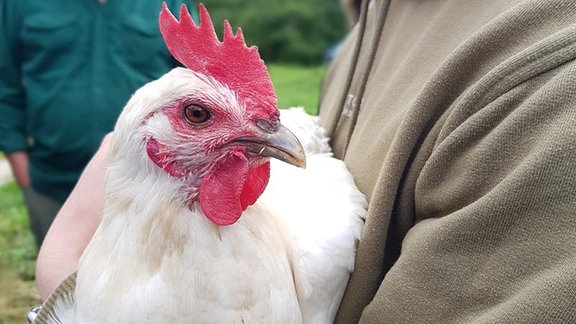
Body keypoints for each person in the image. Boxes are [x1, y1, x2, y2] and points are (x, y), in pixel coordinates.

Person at [35, 0, 576, 322]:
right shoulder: (373, 19)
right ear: (149, 145)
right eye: (199, 115)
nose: (272, 134)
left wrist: (62, 280)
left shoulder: (543, 77)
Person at [0, 0, 196, 249]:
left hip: (147, 190)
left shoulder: (169, 3)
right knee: (57, 281)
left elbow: (193, 83)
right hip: (52, 183)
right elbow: (4, 81)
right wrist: (20, 167)